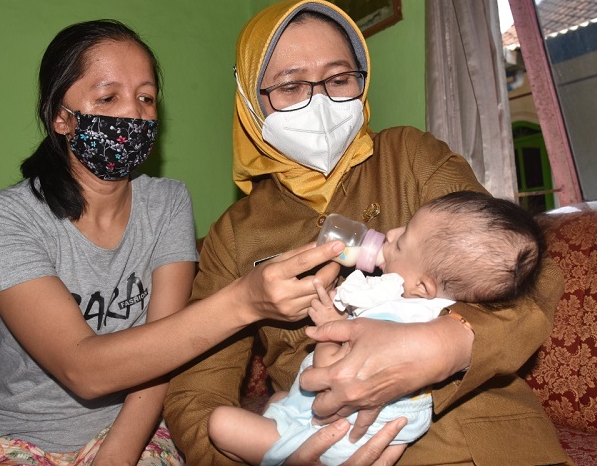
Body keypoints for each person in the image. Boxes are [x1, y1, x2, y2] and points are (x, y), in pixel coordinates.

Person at [164, 0, 573, 465]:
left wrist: (447, 343)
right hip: (317, 442)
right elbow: (194, 397)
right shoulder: (233, 235)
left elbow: (528, 274)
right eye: (290, 86)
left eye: (339, 79)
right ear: (250, 101)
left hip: (479, 444)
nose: (319, 102)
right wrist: (280, 459)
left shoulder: (412, 158)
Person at [0, 19, 345, 466]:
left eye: (145, 97)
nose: (133, 114)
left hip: (130, 428)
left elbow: (166, 347)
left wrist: (117, 454)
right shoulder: (2, 220)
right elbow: (83, 370)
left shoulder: (167, 203)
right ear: (60, 117)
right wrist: (245, 301)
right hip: (14, 435)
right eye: (107, 97)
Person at [208, 191, 548, 465]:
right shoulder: (422, 304)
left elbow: (333, 378)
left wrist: (329, 330)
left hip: (341, 438)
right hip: (354, 429)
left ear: (422, 286)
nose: (393, 232)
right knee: (278, 399)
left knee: (221, 424)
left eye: (401, 242)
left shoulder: (394, 317)